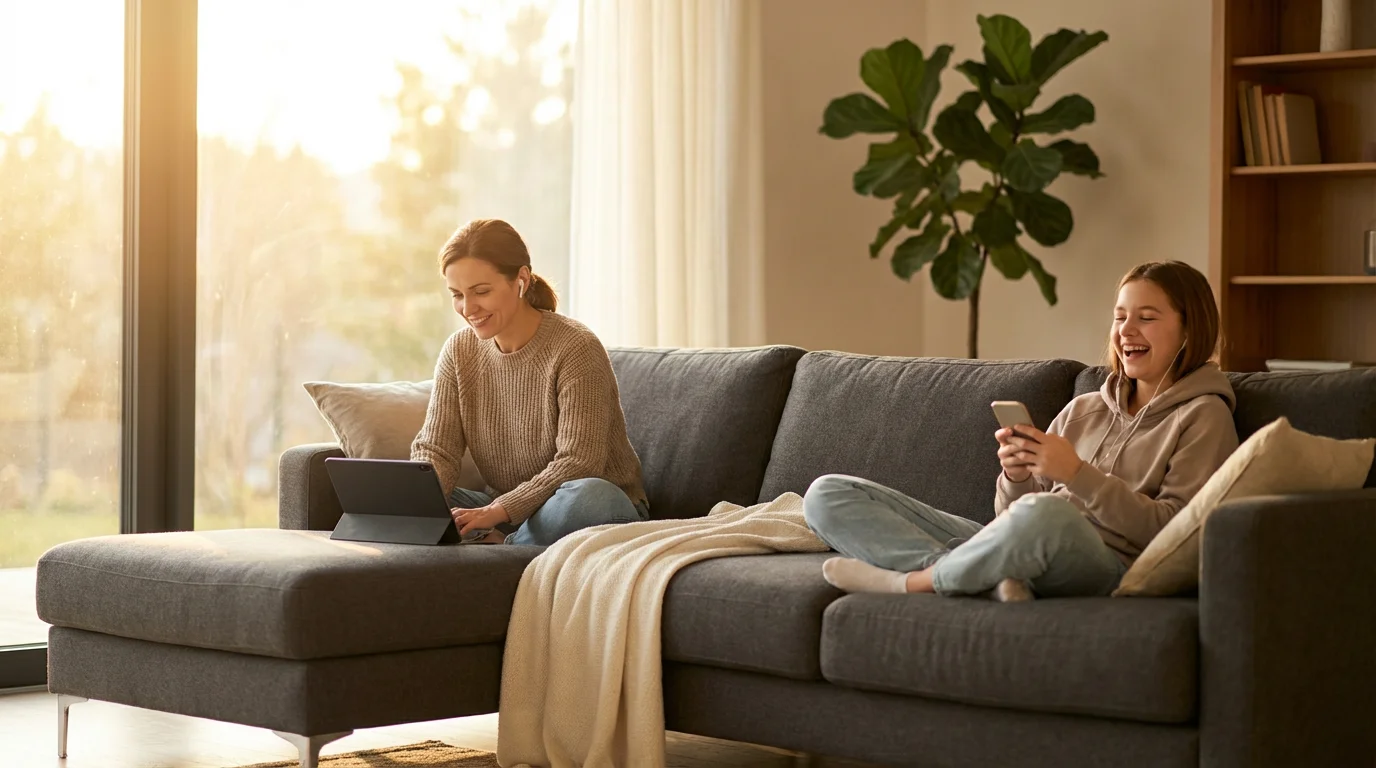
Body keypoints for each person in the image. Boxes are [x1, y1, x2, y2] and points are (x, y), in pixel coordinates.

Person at [803, 260, 1239, 601]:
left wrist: (1077, 476)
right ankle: (979, 574)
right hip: (1026, 544)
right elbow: (1010, 518)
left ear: (1189, 327)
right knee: (828, 493)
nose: (1126, 330)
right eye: (1120, 316)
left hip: (1107, 564)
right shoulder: (1084, 409)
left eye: (1146, 317)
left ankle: (919, 582)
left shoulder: (1204, 415)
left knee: (1049, 513)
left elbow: (1176, 533)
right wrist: (1017, 477)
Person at [411, 218, 649, 546]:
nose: (468, 308)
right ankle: (513, 540)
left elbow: (580, 463)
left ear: (521, 280)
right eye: (457, 295)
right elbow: (439, 449)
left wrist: (500, 511)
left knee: (590, 495)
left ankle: (506, 549)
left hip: (590, 505)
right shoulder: (459, 350)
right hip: (508, 511)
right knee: (406, 507)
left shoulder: (575, 346)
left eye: (481, 291)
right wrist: (415, 496)